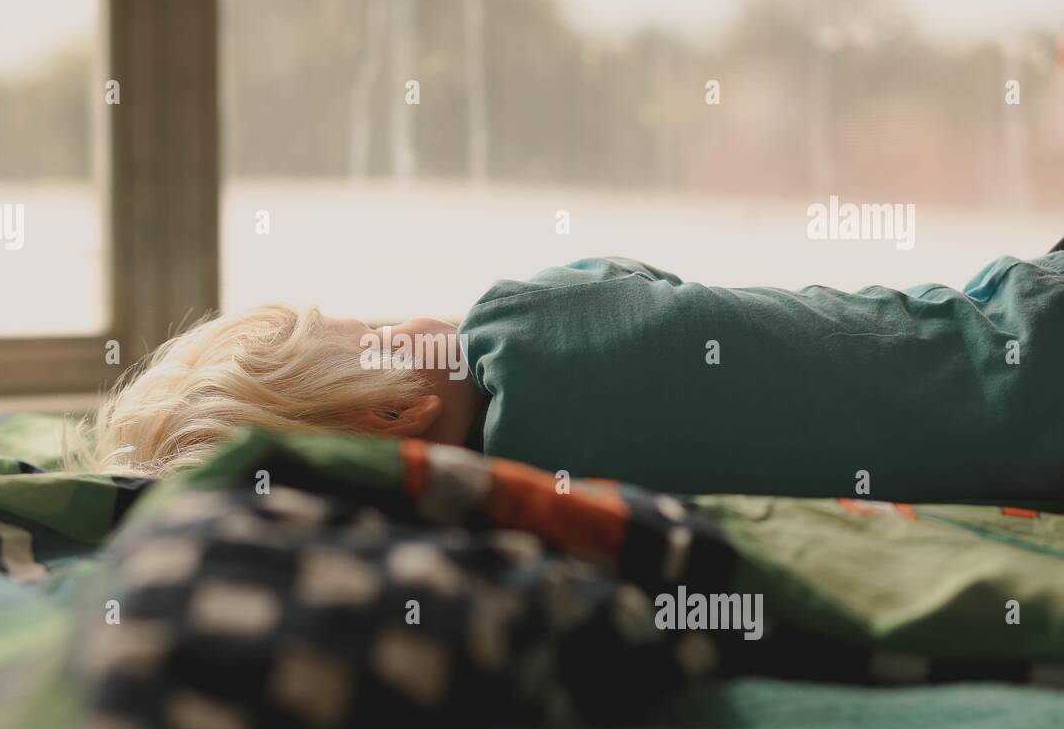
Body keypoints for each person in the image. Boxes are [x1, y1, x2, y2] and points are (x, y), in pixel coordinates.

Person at [86, 243, 1064, 502]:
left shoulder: (522, 507)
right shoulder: (520, 316)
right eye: (372, 325)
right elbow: (638, 277)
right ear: (396, 404)